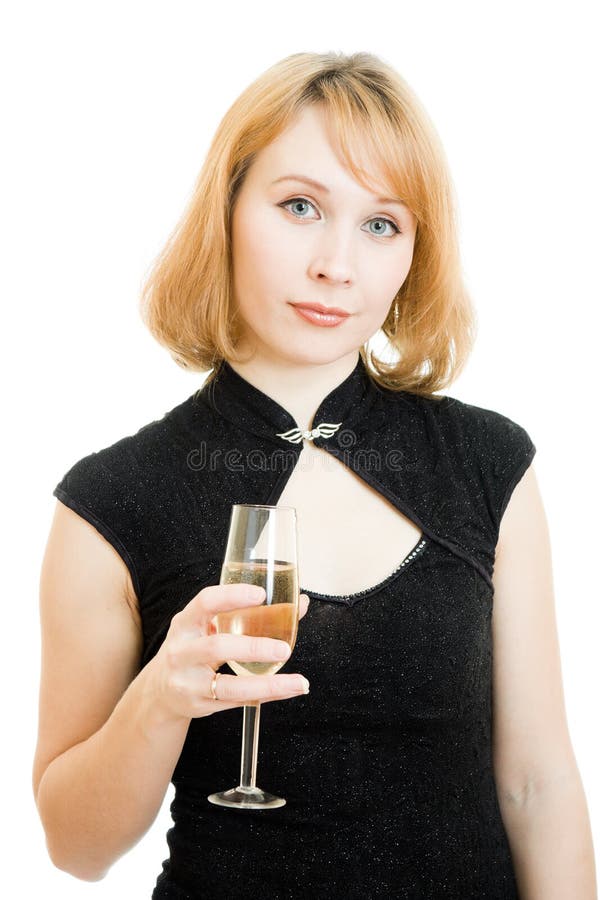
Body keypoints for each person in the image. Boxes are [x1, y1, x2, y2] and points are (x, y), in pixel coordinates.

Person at [33, 51, 597, 899]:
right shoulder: (110, 501)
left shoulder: (488, 463)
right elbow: (75, 850)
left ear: (414, 253)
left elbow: (538, 786)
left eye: (382, 225)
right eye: (301, 206)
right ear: (226, 210)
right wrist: (159, 700)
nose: (337, 264)